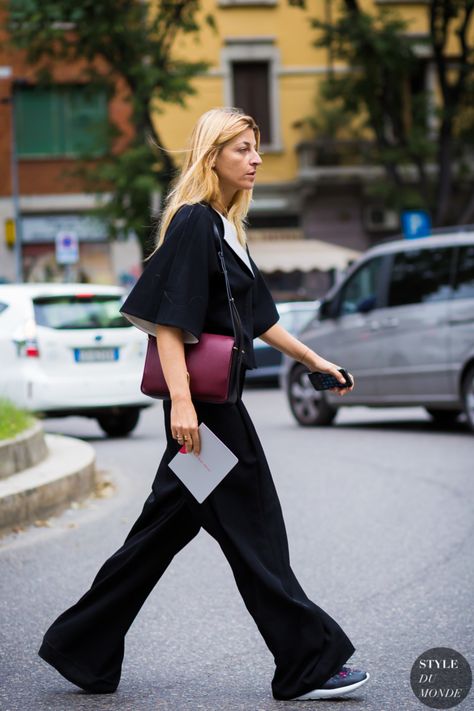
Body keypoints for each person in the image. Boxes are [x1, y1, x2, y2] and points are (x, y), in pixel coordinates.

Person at [38, 107, 369, 702]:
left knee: (157, 537)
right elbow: (168, 323)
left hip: (214, 410)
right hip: (206, 415)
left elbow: (262, 317)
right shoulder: (194, 223)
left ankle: (78, 646)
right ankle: (306, 662)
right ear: (211, 154)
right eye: (243, 148)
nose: (256, 158)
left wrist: (315, 360)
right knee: (256, 532)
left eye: (256, 147)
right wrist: (183, 407)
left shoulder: (226, 229)